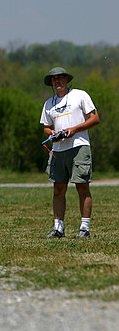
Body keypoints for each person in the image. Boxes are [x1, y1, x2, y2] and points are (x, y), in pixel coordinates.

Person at [40, 67, 100, 238]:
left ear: (66, 80)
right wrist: (51, 134)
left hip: (79, 146)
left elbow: (95, 118)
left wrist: (74, 129)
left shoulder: (80, 95)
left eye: (60, 78)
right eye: (54, 79)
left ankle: (84, 228)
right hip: (58, 150)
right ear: (51, 83)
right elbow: (46, 127)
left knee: (82, 186)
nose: (57, 82)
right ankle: (58, 228)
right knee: (58, 189)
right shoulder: (48, 104)